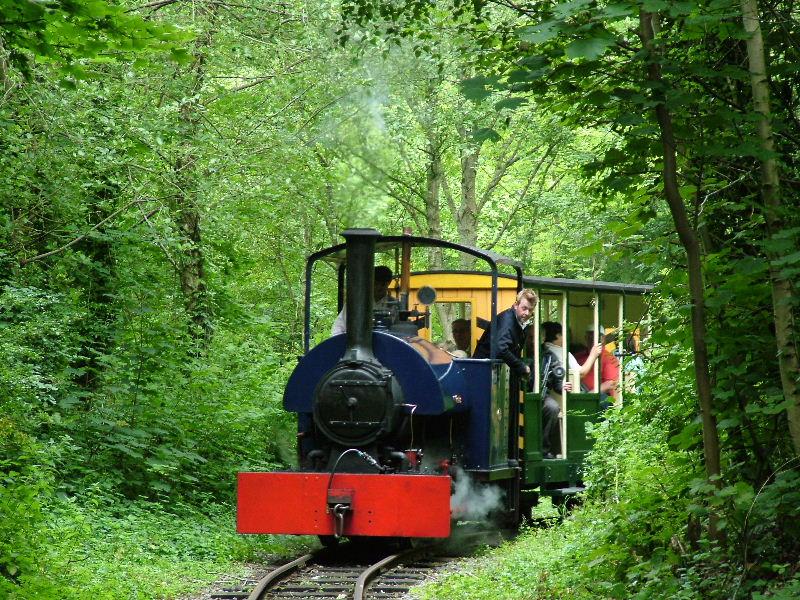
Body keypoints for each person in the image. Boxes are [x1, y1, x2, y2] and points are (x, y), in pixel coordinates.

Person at [540, 321, 602, 459]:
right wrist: (593, 355)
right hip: (565, 400)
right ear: (557, 336)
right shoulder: (561, 353)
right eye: (564, 334)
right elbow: (581, 373)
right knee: (602, 402)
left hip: (553, 397)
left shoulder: (542, 351)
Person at [473, 289, 538, 380]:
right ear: (516, 305)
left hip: (488, 371)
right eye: (524, 308)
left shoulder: (516, 321)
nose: (527, 313)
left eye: (530, 310)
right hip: (482, 371)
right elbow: (501, 348)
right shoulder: (507, 321)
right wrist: (521, 367)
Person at [330, 265, 396, 336]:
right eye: (376, 283)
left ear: (388, 283)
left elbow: (398, 331)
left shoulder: (394, 305)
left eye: (382, 284)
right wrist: (341, 341)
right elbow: (339, 327)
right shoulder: (355, 303)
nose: (378, 287)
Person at [574, 326, 620, 398]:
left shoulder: (610, 359)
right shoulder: (578, 356)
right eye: (589, 336)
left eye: (595, 336)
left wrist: (587, 396)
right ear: (585, 338)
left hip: (595, 399)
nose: (592, 339)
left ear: (603, 339)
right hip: (575, 393)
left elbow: (610, 384)